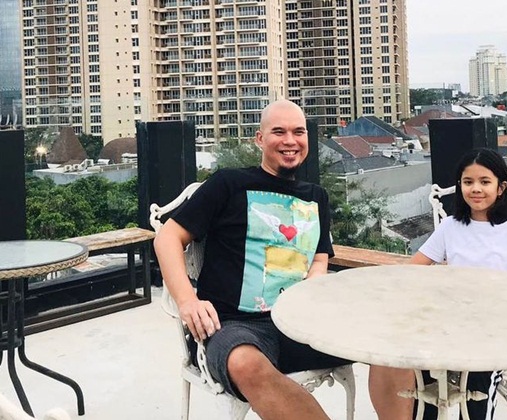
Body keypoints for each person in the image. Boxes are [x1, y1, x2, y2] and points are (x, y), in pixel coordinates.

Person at [154, 99, 412, 420]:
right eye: (279, 132)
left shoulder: (315, 197)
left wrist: (314, 290)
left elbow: (319, 259)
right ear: (260, 139)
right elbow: (167, 237)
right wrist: (187, 301)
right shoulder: (228, 183)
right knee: (246, 363)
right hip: (233, 326)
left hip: (299, 323)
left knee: (389, 338)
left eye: (298, 132)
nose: (290, 141)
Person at [409, 148, 507, 420]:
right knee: (418, 364)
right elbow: (414, 269)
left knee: (477, 377)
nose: (476, 189)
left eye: (485, 182)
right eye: (468, 182)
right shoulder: (451, 226)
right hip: (453, 321)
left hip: (497, 327)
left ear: (501, 187)